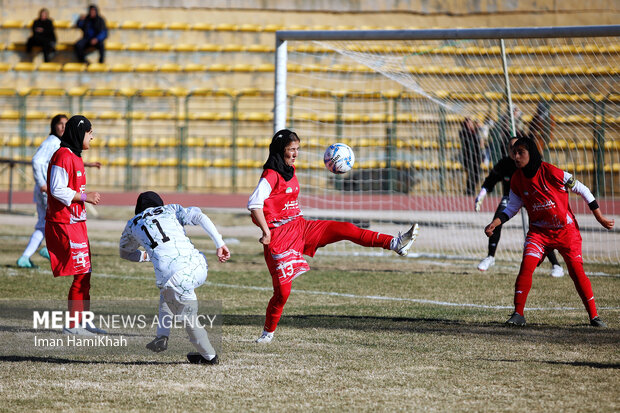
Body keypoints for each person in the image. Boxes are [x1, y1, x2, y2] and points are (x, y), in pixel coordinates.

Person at [248, 129, 419, 343]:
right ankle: (267, 334)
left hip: (301, 227)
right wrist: (265, 231)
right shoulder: (271, 175)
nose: (295, 154)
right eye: (291, 150)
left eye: (297, 149)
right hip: (279, 237)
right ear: (279, 150)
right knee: (282, 293)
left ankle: (395, 243)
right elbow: (253, 204)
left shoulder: (290, 170)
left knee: (345, 228)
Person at [484, 137, 614, 327]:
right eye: (514, 153)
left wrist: (600, 217)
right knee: (526, 265)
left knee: (576, 272)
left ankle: (594, 316)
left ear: (532, 153)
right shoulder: (517, 179)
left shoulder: (550, 171)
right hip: (539, 233)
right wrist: (494, 223)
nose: (516, 156)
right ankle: (518, 314)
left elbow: (582, 189)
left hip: (566, 231)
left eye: (521, 152)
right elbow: (512, 207)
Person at [119, 191, 231, 365]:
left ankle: (207, 355)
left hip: (171, 276)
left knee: (180, 305)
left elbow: (125, 253)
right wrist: (220, 243)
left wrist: (146, 256)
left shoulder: (133, 223)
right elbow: (200, 217)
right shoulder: (170, 209)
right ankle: (166, 338)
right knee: (170, 295)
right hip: (197, 266)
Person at [45, 115, 104, 335]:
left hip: (77, 222)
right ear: (80, 132)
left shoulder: (75, 157)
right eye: (90, 133)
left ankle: (83, 320)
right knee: (81, 273)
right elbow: (56, 189)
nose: (92, 137)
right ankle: (72, 325)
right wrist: (84, 196)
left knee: (86, 272)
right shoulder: (62, 155)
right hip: (65, 223)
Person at [474, 134, 564, 278]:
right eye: (511, 148)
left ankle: (556, 265)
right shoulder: (504, 163)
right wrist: (481, 194)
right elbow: (490, 180)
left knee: (539, 229)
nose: (515, 153)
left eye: (518, 149)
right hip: (510, 198)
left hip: (530, 198)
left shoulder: (530, 165)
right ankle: (490, 257)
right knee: (497, 220)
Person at [17, 114, 101, 268]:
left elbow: (67, 162)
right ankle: (52, 250)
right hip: (47, 189)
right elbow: (38, 161)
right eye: (60, 124)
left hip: (49, 188)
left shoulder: (64, 147)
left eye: (65, 124)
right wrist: (42, 183)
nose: (63, 127)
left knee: (43, 224)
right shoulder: (53, 143)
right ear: (53, 126)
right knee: (50, 222)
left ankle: (29, 256)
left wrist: (87, 165)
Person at [459, 117, 482, 196]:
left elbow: (480, 142)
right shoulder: (463, 132)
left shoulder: (475, 131)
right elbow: (466, 138)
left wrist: (477, 129)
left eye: (471, 123)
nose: (470, 124)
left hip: (477, 156)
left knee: (477, 174)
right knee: (471, 174)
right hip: (468, 156)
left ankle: (471, 190)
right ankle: (469, 191)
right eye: (468, 123)